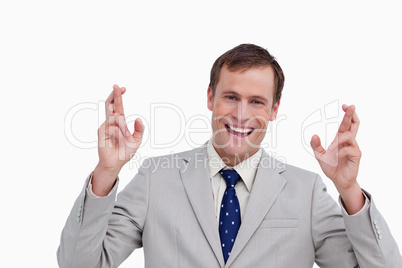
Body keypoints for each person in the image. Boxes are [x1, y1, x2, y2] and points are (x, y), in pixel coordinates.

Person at [57, 44, 401, 267]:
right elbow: (76, 263)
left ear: (274, 109)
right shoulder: (156, 179)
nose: (240, 115)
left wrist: (350, 190)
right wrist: (105, 173)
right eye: (230, 97)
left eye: (256, 102)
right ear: (210, 98)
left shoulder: (307, 191)